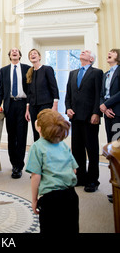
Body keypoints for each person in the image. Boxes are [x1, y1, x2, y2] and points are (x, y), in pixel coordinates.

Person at [25, 109, 79, 234]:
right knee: (71, 228)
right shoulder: (64, 145)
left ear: (39, 128)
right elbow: (74, 170)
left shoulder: (37, 147)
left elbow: (35, 176)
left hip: (51, 199)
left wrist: (34, 200)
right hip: (71, 196)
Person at [65, 50, 103, 192]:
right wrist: (67, 108)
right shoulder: (73, 73)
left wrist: (96, 113)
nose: (83, 52)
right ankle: (80, 177)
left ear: (91, 58)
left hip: (90, 118)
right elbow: (68, 93)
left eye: (86, 52)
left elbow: (99, 94)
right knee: (77, 149)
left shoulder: (97, 73)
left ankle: (93, 180)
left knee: (92, 150)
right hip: (75, 117)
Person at [0, 48, 30, 179]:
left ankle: (19, 166)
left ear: (20, 55)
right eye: (12, 51)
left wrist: (29, 107)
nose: (14, 52)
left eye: (17, 51)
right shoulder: (3, 70)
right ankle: (13, 163)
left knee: (21, 136)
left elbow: (30, 89)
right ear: (9, 55)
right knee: (11, 136)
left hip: (23, 104)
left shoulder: (27, 68)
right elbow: (1, 89)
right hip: (9, 105)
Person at [99, 49, 120, 204]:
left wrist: (107, 104)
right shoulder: (106, 73)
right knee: (112, 149)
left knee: (118, 150)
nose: (109, 54)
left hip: (117, 113)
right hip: (107, 113)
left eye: (112, 52)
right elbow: (102, 93)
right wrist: (103, 106)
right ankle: (115, 186)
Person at [25, 49, 59, 141]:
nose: (32, 55)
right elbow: (29, 93)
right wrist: (27, 110)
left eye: (35, 53)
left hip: (46, 105)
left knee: (45, 131)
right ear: (29, 58)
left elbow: (54, 88)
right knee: (36, 131)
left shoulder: (47, 69)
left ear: (39, 57)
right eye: (30, 54)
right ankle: (38, 153)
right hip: (33, 106)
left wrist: (55, 106)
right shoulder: (29, 72)